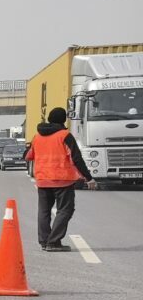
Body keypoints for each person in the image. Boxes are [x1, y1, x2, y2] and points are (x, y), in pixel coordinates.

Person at [24, 107, 96, 252]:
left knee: (44, 211)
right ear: (64, 120)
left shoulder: (37, 136)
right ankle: (54, 241)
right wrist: (89, 178)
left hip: (43, 180)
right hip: (62, 180)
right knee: (65, 210)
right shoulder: (65, 135)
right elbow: (77, 158)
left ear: (50, 118)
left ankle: (44, 241)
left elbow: (28, 156)